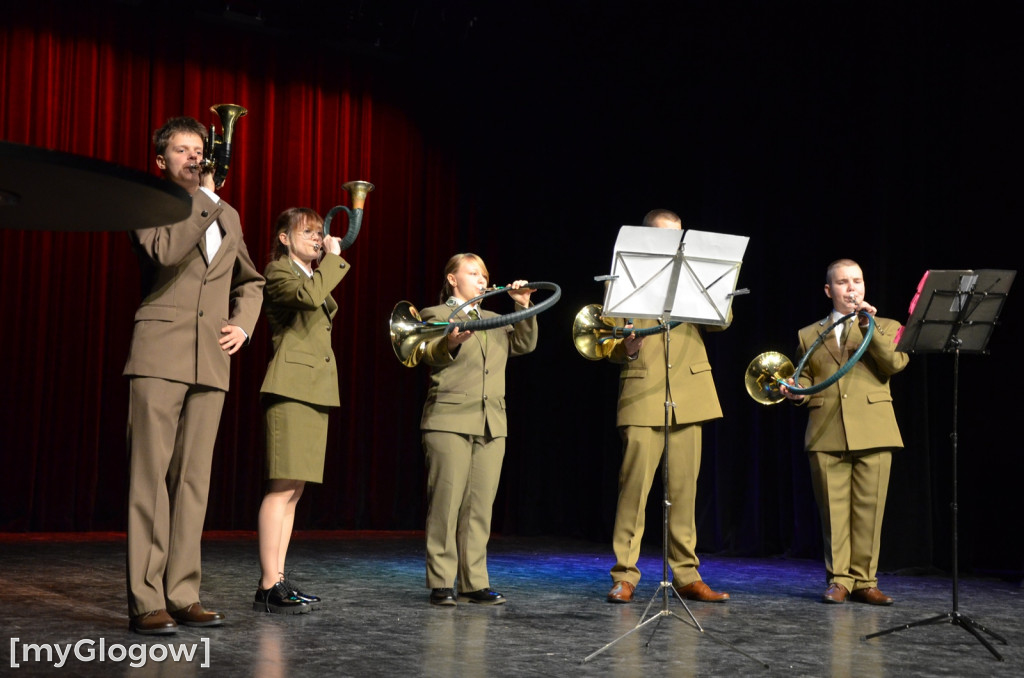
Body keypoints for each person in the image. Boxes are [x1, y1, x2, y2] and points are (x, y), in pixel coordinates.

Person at [123, 116, 264, 634]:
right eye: (182, 150)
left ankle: (182, 593)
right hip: (159, 354)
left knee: (192, 483)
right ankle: (145, 600)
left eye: (199, 149)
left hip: (211, 360)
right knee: (150, 481)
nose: (194, 156)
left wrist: (243, 326)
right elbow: (163, 252)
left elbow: (251, 281)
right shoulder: (147, 201)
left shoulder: (227, 215)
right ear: (161, 160)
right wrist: (205, 201)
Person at [605, 209, 730, 605]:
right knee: (635, 490)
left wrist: (713, 288)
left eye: (678, 236)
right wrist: (622, 347)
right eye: (664, 236)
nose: (673, 244)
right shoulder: (625, 278)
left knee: (684, 491)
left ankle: (686, 574)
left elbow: (721, 322)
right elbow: (604, 340)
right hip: (643, 393)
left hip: (690, 395)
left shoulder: (693, 276)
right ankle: (625, 574)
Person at [781, 258, 908, 605]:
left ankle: (866, 581)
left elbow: (895, 363)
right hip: (826, 430)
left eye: (858, 281)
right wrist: (795, 389)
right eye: (843, 282)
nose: (852, 288)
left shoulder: (885, 326)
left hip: (874, 428)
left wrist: (868, 322)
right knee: (833, 512)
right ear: (829, 290)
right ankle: (839, 579)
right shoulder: (809, 333)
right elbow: (806, 378)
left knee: (870, 509)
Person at [417, 253, 538, 606]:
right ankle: (441, 581)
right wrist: (451, 341)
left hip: (490, 422)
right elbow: (426, 353)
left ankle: (474, 582)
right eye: (473, 273)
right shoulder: (436, 315)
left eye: (484, 274)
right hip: (449, 419)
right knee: (446, 503)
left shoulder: (497, 320)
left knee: (479, 507)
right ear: (453, 279)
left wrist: (524, 306)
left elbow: (524, 344)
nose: (482, 280)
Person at [254, 208, 350, 614]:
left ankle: (277, 578)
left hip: (314, 389)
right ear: (283, 237)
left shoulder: (310, 275)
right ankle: (267, 583)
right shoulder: (278, 273)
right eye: (308, 232)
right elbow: (310, 300)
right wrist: (332, 260)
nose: (316, 238)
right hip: (290, 387)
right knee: (281, 488)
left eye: (319, 233)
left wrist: (323, 265)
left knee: (295, 491)